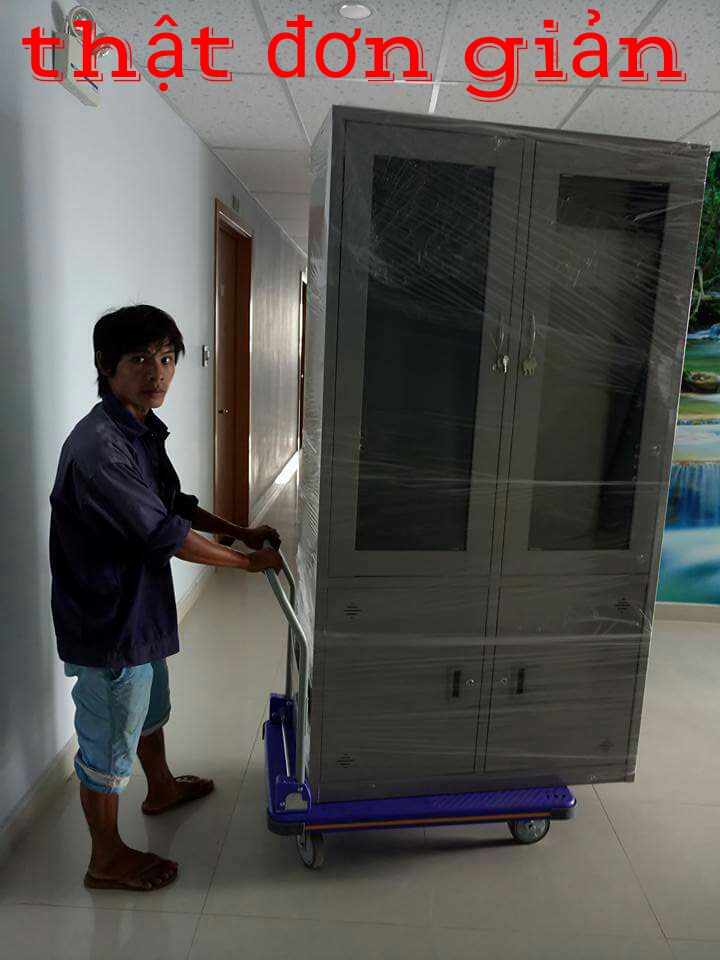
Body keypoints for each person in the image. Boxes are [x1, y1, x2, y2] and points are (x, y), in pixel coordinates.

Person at [49, 304, 284, 892]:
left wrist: (239, 531)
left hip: (139, 605)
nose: (157, 372)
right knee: (110, 734)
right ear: (105, 365)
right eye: (139, 359)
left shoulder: (140, 426)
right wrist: (245, 563)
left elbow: (173, 504)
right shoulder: (100, 449)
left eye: (166, 358)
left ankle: (161, 788)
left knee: (150, 701)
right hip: (107, 618)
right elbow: (165, 534)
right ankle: (105, 858)